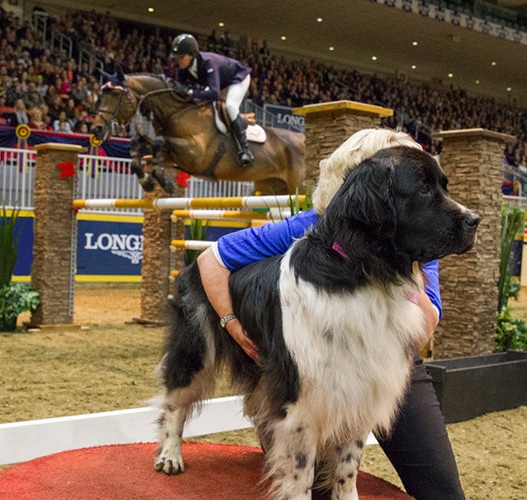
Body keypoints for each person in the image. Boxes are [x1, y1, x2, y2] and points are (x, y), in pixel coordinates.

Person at [197, 129, 466, 500]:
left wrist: (406, 267)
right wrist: (233, 325)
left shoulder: (421, 235)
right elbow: (211, 260)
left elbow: (424, 332)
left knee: (444, 493)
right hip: (324, 369)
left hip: (392, 366)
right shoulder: (311, 225)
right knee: (312, 483)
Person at [170, 33, 254, 167]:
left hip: (237, 79)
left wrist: (191, 92)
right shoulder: (183, 70)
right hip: (220, 83)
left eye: (181, 57)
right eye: (176, 57)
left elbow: (214, 93)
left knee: (230, 107)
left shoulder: (208, 63)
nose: (178, 60)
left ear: (191, 54)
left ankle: (244, 150)